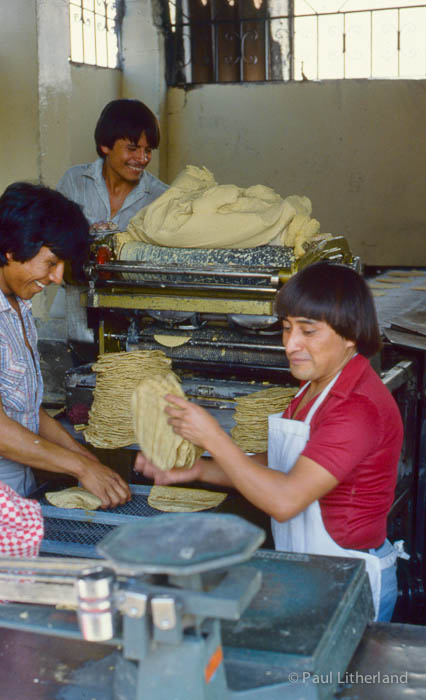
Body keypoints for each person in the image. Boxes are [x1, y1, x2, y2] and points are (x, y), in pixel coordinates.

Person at [135, 262, 404, 622]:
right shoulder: (315, 387)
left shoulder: (357, 406)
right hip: (311, 572)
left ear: (350, 333)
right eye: (287, 328)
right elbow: (280, 465)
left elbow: (285, 499)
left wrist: (213, 435)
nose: (291, 345)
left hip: (349, 581)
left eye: (308, 332)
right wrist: (196, 469)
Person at [0, 182, 131, 508]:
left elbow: (26, 413)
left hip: (20, 494)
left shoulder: (18, 306)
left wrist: (87, 459)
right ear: (12, 250)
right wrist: (81, 467)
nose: (58, 277)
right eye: (51, 262)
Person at [57, 98, 168, 231]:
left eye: (148, 150)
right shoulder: (74, 181)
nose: (143, 159)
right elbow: (52, 236)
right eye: (132, 149)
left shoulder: (162, 197)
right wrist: (87, 237)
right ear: (105, 145)